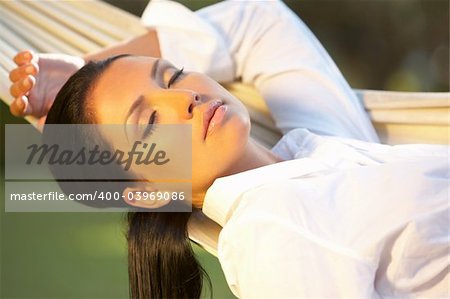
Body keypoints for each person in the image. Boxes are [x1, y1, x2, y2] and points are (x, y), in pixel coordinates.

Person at [8, 1, 449, 298]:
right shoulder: (273, 235)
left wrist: (86, 68)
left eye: (173, 76)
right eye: (151, 122)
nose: (186, 99)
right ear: (146, 192)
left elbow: (260, 21)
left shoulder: (317, 147)